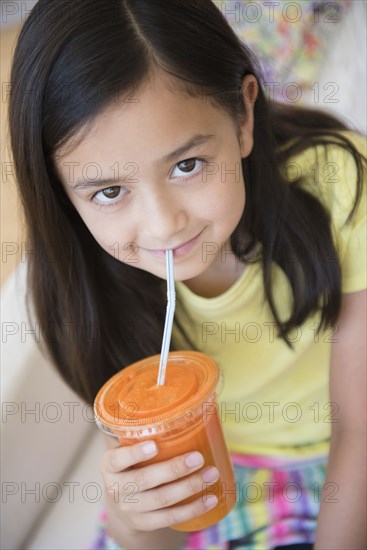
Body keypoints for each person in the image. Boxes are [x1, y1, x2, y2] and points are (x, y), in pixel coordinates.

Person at [8, 1, 366, 549]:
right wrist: (136, 519)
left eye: (187, 165)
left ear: (243, 118)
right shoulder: (85, 289)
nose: (163, 225)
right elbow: (164, 538)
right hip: (229, 472)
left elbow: (359, 432)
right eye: (108, 191)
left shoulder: (340, 186)